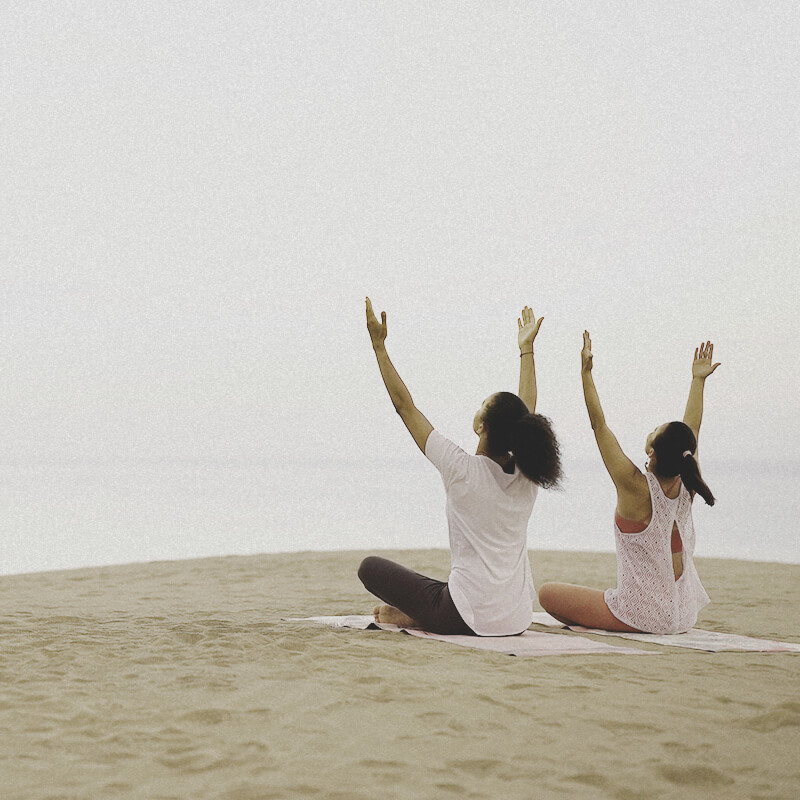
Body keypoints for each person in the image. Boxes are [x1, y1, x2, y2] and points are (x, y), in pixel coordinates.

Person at [358, 298, 562, 636]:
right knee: (446, 585)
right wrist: (527, 350)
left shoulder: (459, 468)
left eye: (484, 404)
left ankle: (416, 616)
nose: (479, 407)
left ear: (483, 427)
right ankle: (419, 612)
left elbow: (405, 407)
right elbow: (526, 414)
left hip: (465, 616)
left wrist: (379, 347)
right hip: (516, 619)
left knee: (370, 568)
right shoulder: (527, 476)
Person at [538, 333, 721, 634]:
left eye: (654, 429)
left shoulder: (635, 485)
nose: (652, 429)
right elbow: (693, 426)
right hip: (683, 614)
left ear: (652, 452)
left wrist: (586, 375)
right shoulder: (689, 482)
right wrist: (698, 381)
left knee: (547, 593)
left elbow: (599, 425)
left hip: (643, 616)